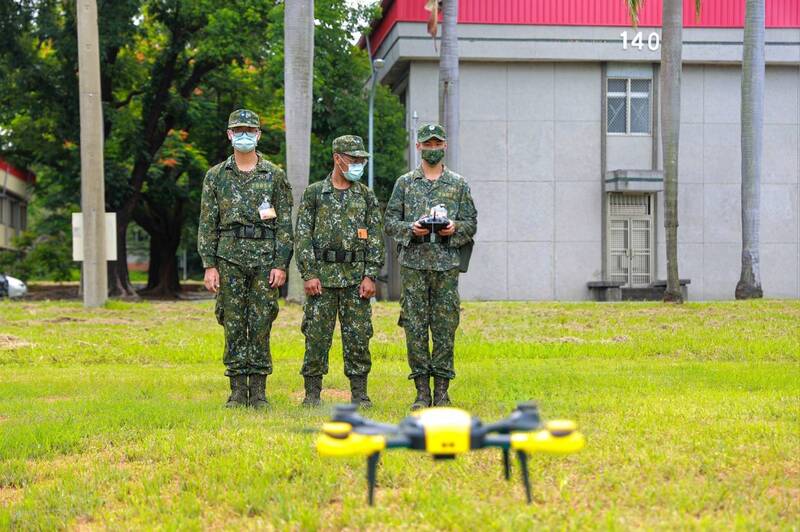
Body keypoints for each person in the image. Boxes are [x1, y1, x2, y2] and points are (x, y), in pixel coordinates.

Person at [197, 109, 294, 409]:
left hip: (265, 259)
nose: (244, 135)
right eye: (238, 130)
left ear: (259, 135)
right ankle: (238, 390)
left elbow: (284, 224)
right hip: (229, 258)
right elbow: (207, 223)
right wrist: (209, 265)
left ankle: (260, 391)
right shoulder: (215, 176)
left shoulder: (275, 175)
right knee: (233, 321)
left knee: (262, 320)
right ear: (228, 134)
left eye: (249, 130)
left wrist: (280, 263)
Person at [384, 123, 477, 410]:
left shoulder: (458, 184)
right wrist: (411, 229)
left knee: (445, 327)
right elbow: (389, 222)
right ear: (418, 147)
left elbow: (471, 224)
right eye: (427, 144)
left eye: (437, 144)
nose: (432, 149)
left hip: (446, 267)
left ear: (444, 146)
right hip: (414, 266)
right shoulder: (405, 183)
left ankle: (443, 391)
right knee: (414, 326)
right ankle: (422, 392)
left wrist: (454, 229)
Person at [295, 135, 384, 408]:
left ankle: (360, 394)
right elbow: (303, 235)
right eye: (353, 159)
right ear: (337, 158)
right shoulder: (314, 193)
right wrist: (309, 274)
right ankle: (312, 394)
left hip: (356, 279)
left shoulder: (366, 196)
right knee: (316, 337)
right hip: (322, 278)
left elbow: (376, 238)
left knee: (358, 337)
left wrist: (371, 275)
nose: (358, 164)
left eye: (361, 160)